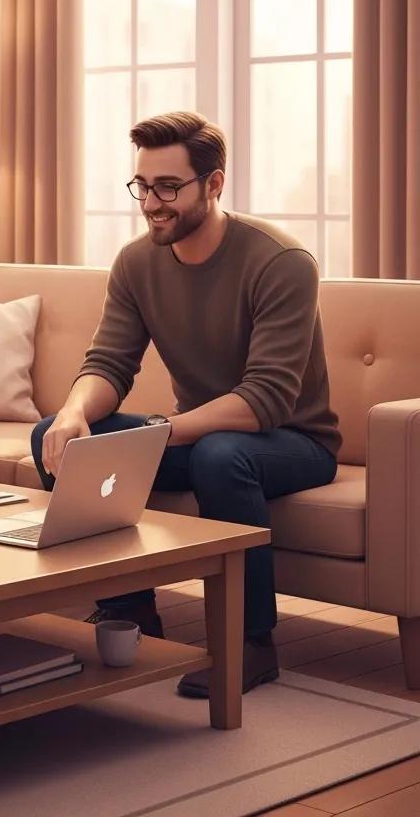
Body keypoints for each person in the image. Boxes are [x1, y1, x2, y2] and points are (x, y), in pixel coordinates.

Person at [31, 111, 340, 697]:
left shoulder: (281, 262)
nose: (151, 203)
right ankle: (131, 614)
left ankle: (251, 643)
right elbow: (109, 365)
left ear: (214, 185)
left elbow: (265, 401)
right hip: (202, 435)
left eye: (168, 187)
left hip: (293, 442)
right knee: (58, 436)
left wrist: (161, 430)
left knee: (221, 457)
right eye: (142, 186)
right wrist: (74, 412)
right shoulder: (136, 262)